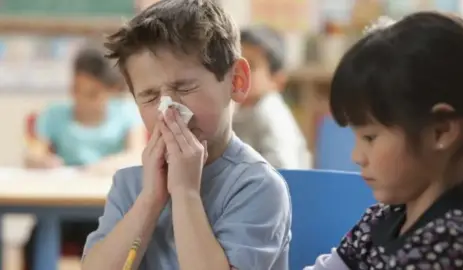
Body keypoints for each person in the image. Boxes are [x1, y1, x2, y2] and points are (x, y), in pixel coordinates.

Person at [81, 1, 291, 270]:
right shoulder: (131, 185)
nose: (170, 111)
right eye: (150, 96)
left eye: (185, 87)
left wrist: (184, 192)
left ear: (236, 80)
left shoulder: (257, 187)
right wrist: (149, 200)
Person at [305, 12, 463, 269]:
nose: (356, 156)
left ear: (440, 132)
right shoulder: (384, 217)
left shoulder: (456, 245)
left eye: (370, 137)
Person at [24, 43, 145, 172]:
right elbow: (33, 154)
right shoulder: (53, 114)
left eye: (92, 94)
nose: (81, 99)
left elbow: (137, 155)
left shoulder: (126, 112)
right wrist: (41, 161)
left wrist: (106, 165)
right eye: (76, 90)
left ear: (111, 91)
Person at [233, 25, 311, 169]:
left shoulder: (272, 116)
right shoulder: (238, 109)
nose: (238, 73)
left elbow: (284, 172)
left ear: (277, 80)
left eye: (251, 66)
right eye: (234, 65)